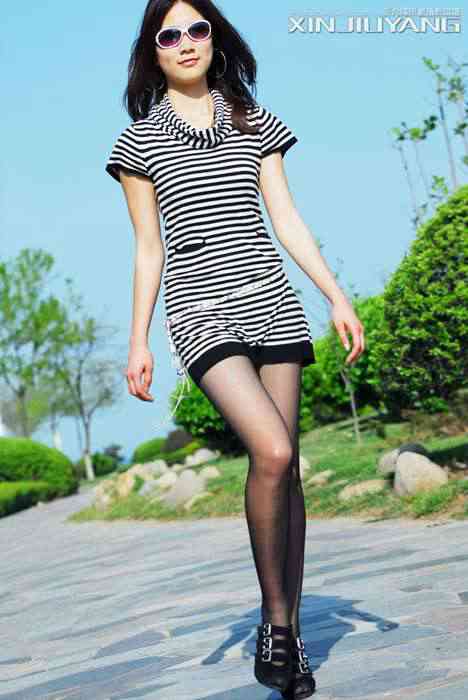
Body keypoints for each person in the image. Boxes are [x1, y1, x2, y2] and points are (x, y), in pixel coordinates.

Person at [105, 1, 365, 697]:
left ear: (215, 40)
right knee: (271, 452)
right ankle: (276, 622)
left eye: (198, 29)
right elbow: (148, 248)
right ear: (153, 52)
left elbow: (286, 218)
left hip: (272, 303)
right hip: (200, 311)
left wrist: (336, 296)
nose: (186, 42)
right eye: (169, 35)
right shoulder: (137, 142)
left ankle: (287, 638)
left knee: (289, 469)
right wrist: (138, 340)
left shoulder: (256, 121)